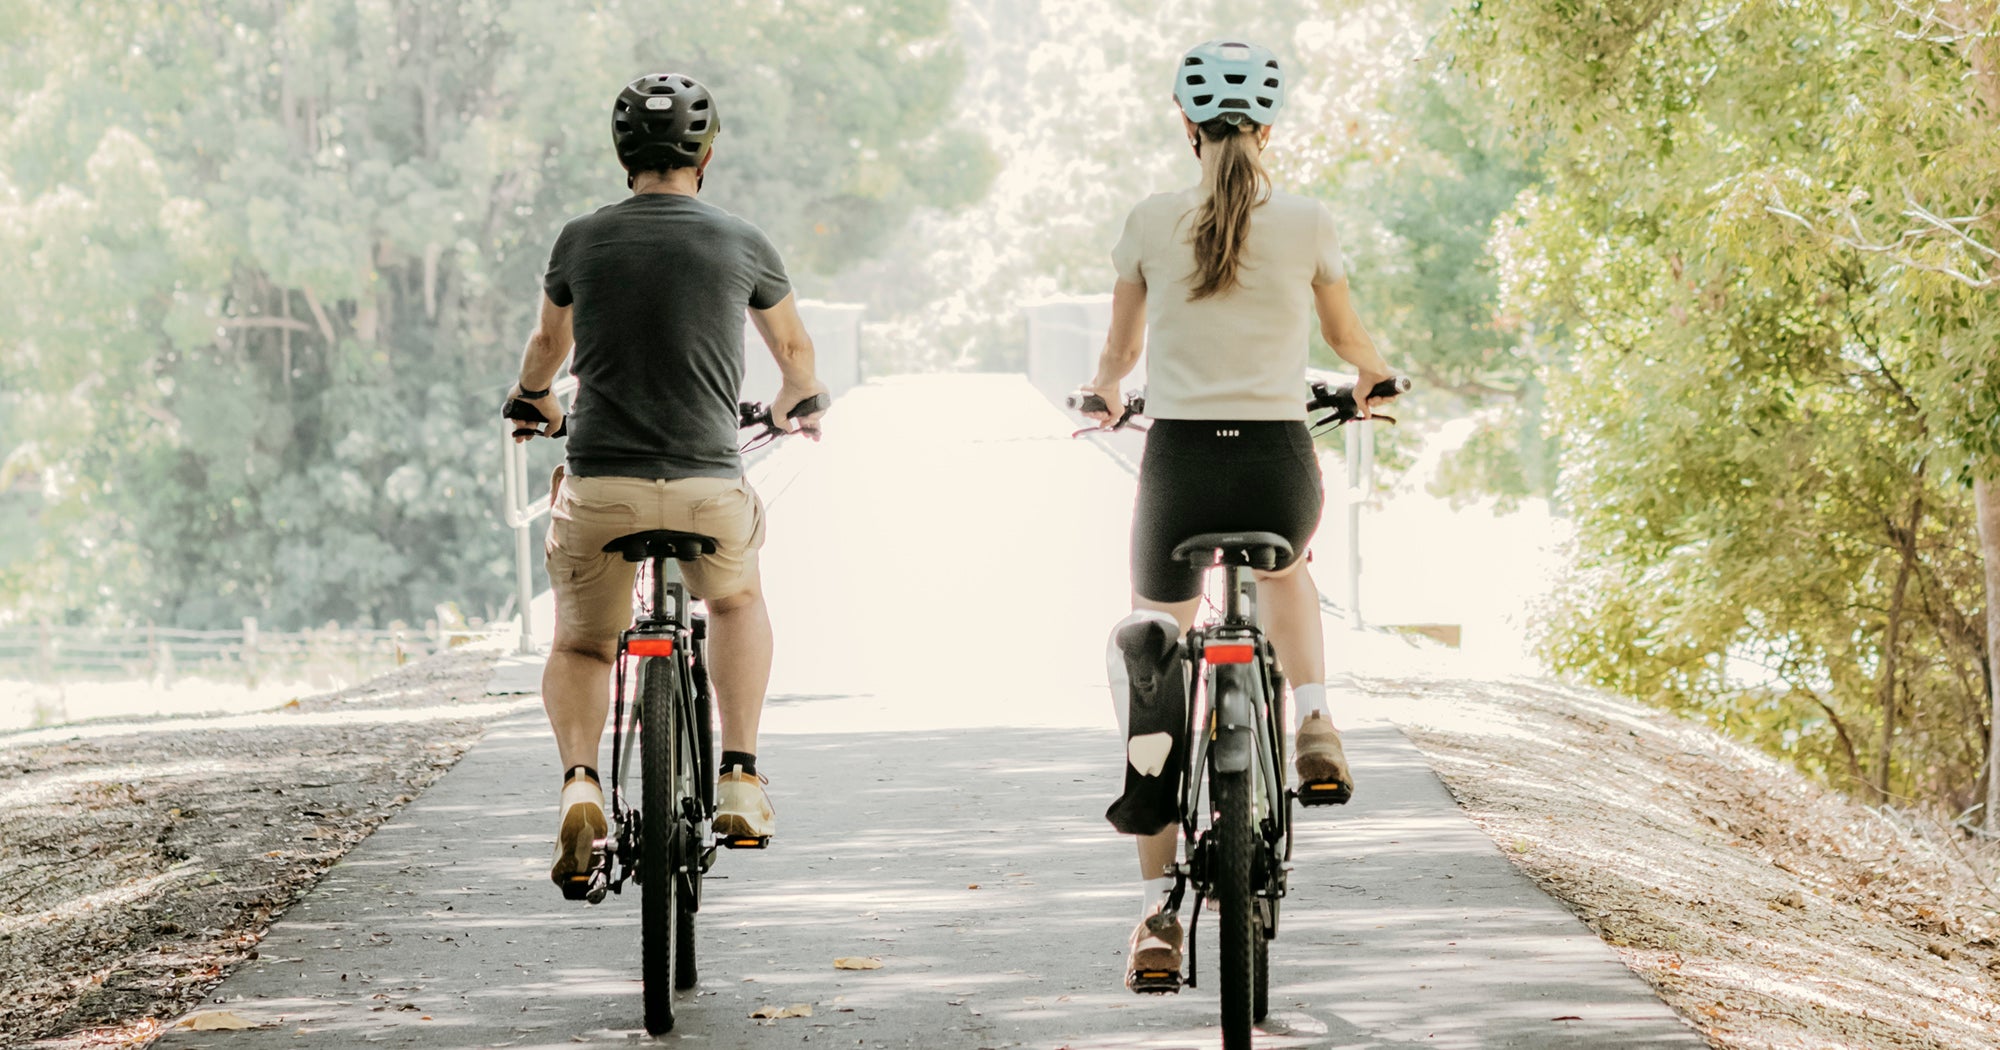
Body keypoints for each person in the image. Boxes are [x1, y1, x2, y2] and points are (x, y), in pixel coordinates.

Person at [1077, 40, 1397, 990]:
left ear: (1185, 126)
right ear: (1269, 126)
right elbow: (1349, 342)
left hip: (1178, 466)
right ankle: (1317, 723)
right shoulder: (1305, 221)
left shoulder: (1148, 218)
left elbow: (1117, 358)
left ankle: (1153, 913)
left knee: (1154, 639)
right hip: (1276, 464)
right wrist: (1372, 382)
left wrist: (1100, 393)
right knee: (1287, 568)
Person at [505, 72, 828, 896]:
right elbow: (795, 356)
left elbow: (547, 348)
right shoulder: (742, 241)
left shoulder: (580, 240)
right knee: (736, 601)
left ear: (623, 157)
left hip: (602, 483)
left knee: (580, 642)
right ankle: (742, 775)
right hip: (707, 486)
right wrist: (795, 406)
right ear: (707, 156)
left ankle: (581, 783)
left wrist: (535, 400)